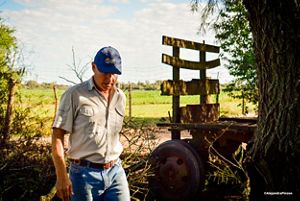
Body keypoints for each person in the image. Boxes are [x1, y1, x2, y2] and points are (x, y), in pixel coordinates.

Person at [51, 46, 130, 201]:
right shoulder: (75, 95)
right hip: (83, 175)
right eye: (105, 72)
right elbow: (57, 135)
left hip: (115, 171)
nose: (109, 78)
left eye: (114, 73)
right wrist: (61, 175)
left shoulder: (120, 98)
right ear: (93, 67)